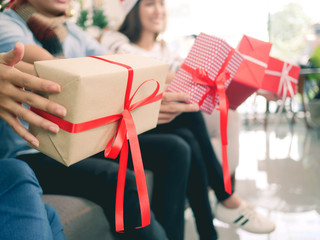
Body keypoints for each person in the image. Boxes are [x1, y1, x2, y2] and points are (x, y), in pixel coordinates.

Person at [0, 1, 193, 239]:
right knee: (117, 178)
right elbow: (64, 77)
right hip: (31, 151)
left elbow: (115, 63)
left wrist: (186, 81)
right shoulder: (7, 26)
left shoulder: (71, 31)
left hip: (78, 140)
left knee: (175, 148)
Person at [101, 0, 276, 237]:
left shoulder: (164, 49)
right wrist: (184, 77)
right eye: (150, 4)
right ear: (133, 11)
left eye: (161, 4)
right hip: (131, 123)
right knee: (187, 110)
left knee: (187, 137)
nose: (158, 11)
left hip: (161, 124)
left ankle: (209, 230)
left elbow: (186, 74)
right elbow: (142, 73)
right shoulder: (115, 41)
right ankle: (226, 198)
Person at [0, 43, 65, 240]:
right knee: (15, 174)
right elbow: (54, 71)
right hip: (26, 152)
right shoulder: (10, 26)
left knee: (49, 216)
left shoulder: (69, 33)